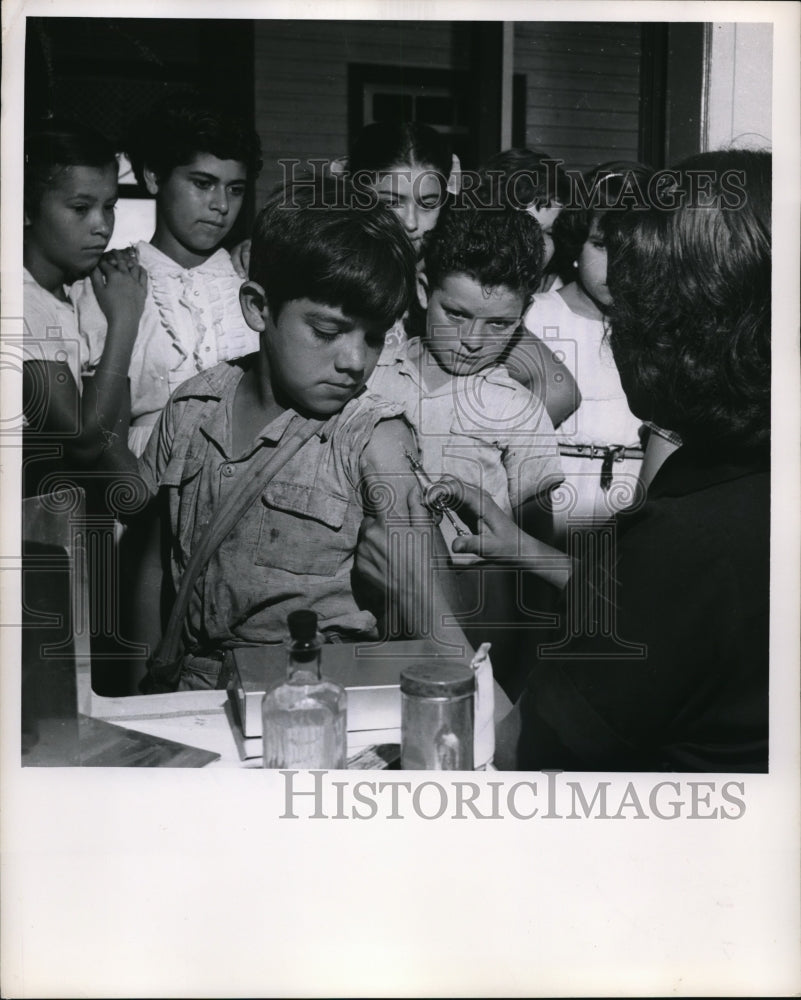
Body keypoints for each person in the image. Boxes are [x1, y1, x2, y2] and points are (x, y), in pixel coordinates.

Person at [441, 149, 771, 772]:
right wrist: (521, 546)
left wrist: (421, 599)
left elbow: (522, 758)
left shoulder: (688, 540)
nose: (618, 331)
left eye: (636, 308)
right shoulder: (745, 489)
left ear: (687, 331)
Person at [104, 181, 471, 691]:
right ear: (258, 307)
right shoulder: (190, 408)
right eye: (326, 331)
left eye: (373, 336)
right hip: (188, 701)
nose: (355, 361)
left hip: (316, 704)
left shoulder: (374, 439)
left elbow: (444, 623)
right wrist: (140, 695)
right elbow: (150, 567)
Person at [368, 203, 564, 694]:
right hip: (369, 607)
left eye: (499, 324)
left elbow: (536, 557)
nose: (473, 341)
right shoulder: (369, 377)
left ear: (526, 313)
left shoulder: (520, 411)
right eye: (455, 314)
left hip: (479, 614)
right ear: (421, 290)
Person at [107, 97, 263, 456]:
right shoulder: (115, 279)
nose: (221, 205)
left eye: (235, 189)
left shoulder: (252, 277)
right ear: (153, 177)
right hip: (144, 479)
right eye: (203, 183)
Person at [510, 162, 654, 543]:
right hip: (549, 507)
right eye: (603, 246)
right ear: (577, 242)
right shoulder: (533, 315)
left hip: (632, 513)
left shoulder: (657, 331)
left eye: (633, 249)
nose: (619, 266)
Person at [22, 121, 148, 500]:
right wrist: (124, 319)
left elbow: (111, 439)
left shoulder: (66, 293)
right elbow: (81, 443)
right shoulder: (19, 299)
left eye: (109, 206)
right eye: (81, 208)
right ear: (25, 208)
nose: (102, 226)